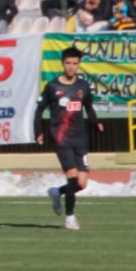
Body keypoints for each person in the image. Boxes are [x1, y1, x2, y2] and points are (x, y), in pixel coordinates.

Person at [36, 46, 102, 230]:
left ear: (79, 65)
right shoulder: (52, 86)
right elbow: (39, 110)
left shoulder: (82, 86)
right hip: (61, 138)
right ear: (62, 64)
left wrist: (96, 123)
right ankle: (70, 218)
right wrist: (38, 132)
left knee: (81, 184)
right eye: (68, 63)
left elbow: (89, 107)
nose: (71, 67)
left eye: (75, 63)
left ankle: (57, 192)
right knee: (72, 179)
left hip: (80, 138)